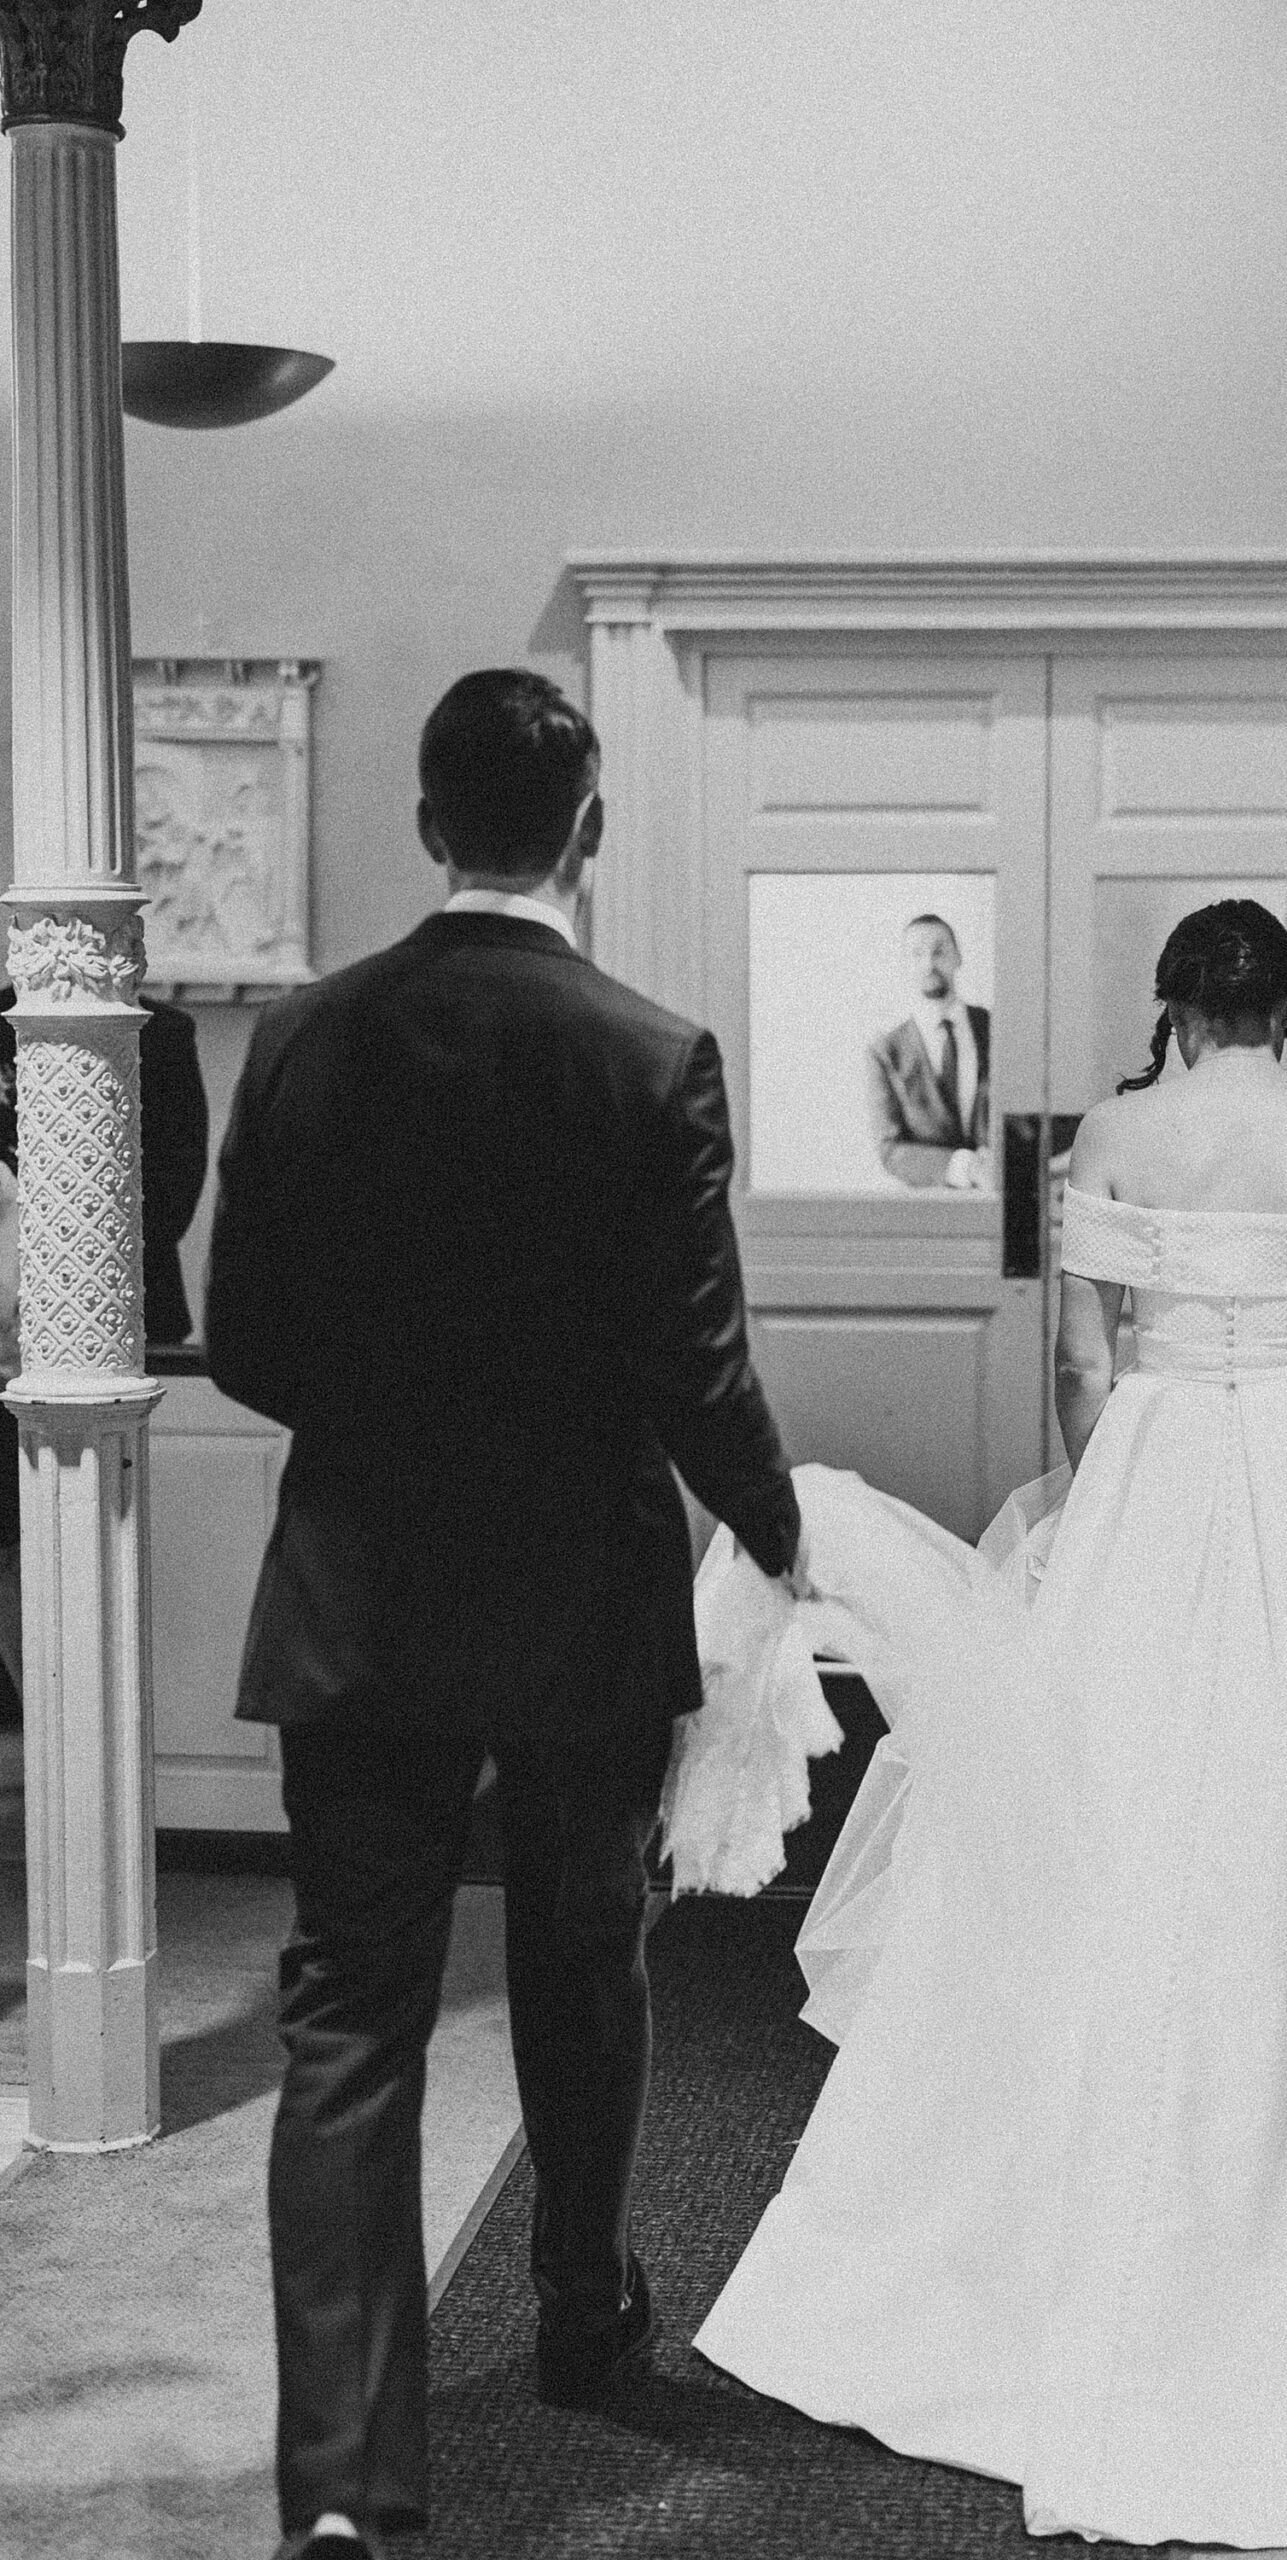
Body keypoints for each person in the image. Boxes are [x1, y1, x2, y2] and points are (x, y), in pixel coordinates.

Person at [694, 899, 1287, 2549]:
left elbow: (1082, 1363)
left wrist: (1094, 1509)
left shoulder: (1114, 1127)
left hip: (1164, 1452)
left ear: (1177, 1006)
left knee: (1125, 1794)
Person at [204, 668, 807, 2560]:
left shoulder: (307, 1033)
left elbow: (240, 1335)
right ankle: (576, 2317)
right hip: (575, 1599)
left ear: (422, 819)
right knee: (581, 1960)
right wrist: (777, 1530)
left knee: (349, 2021)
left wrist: (392, 1433)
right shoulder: (648, 1054)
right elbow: (694, 1364)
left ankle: (344, 2490)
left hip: (363, 1595)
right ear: (593, 828)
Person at [0, 988, 209, 1708]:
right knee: (15, 1549)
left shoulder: (167, 1032)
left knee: (139, 1537)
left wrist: (74, 1276)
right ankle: (51, 1712)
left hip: (133, 1308)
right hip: (5, 1331)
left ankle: (156, 1723)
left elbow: (176, 1182)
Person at [865, 912, 992, 1188]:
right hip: (928, 1208)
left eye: (940, 951)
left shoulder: (995, 1029)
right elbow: (889, 1148)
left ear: (958, 957)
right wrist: (965, 1167)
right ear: (904, 965)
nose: (929, 963)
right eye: (917, 954)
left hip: (999, 1203)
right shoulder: (885, 1050)